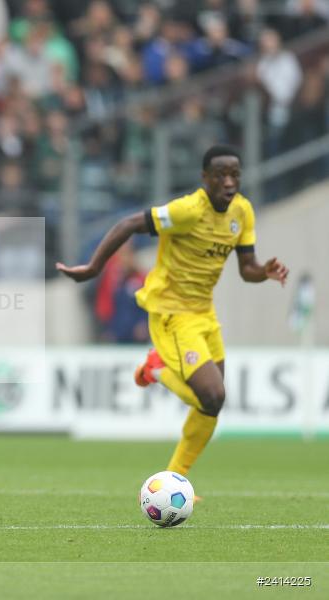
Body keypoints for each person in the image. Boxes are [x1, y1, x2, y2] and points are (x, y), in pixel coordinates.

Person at [57, 145, 288, 481]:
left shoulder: (242, 212)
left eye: (234, 175)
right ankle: (156, 370)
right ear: (204, 178)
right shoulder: (187, 211)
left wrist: (263, 271)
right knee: (213, 394)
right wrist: (94, 267)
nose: (228, 182)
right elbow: (131, 223)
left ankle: (176, 477)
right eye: (220, 175)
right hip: (172, 313)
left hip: (204, 314)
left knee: (211, 403)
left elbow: (246, 268)